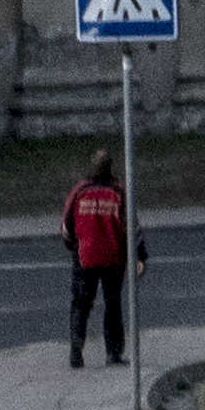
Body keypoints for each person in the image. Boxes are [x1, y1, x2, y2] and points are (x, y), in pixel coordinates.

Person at [61, 148, 146, 369]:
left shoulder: (79, 191)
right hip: (113, 257)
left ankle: (76, 351)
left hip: (85, 256)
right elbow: (132, 228)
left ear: (92, 167)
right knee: (113, 304)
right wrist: (140, 256)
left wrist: (74, 247)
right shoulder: (119, 191)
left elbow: (65, 227)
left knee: (81, 304)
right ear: (110, 167)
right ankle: (114, 354)